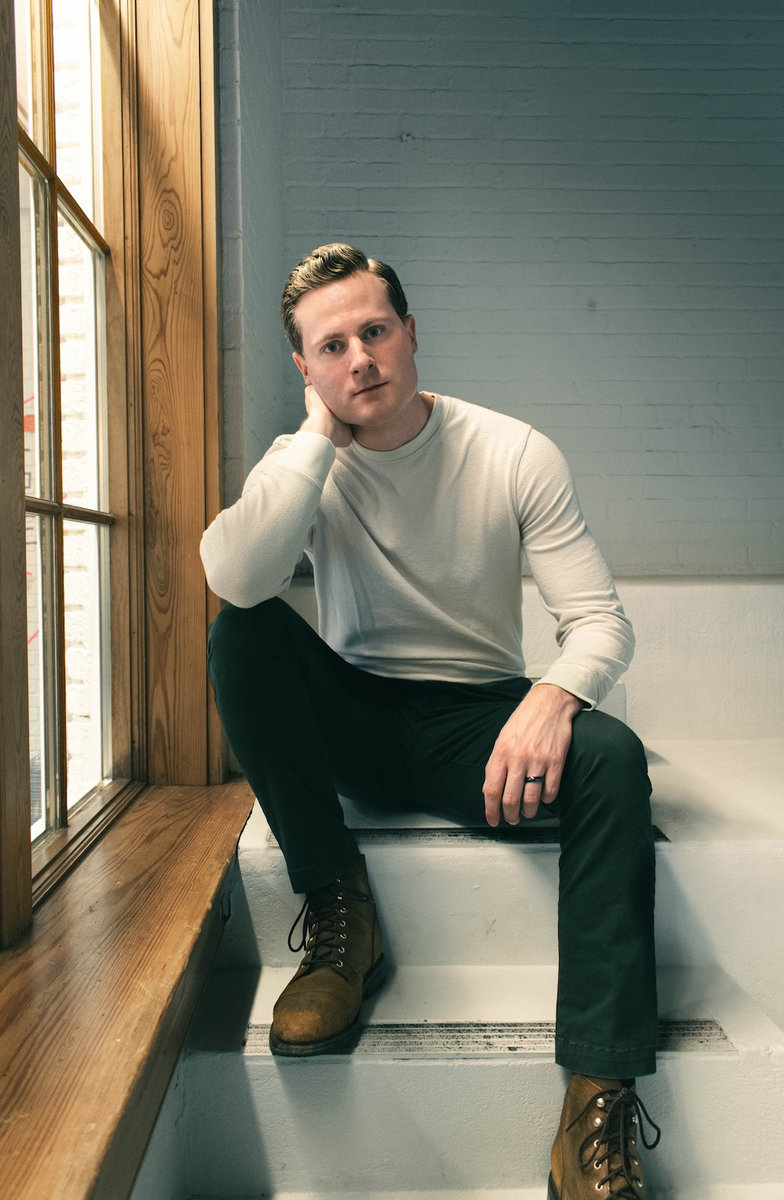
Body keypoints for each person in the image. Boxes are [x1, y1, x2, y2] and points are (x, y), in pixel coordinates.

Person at [200, 243, 661, 1198]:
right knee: (242, 632)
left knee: (613, 755)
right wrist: (313, 439)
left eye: (375, 331)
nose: (361, 359)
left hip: (478, 729)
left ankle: (596, 1099)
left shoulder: (513, 451)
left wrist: (551, 697)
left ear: (411, 333)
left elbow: (599, 621)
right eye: (332, 347)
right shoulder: (303, 464)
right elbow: (237, 578)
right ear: (306, 369)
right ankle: (341, 914)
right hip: (359, 718)